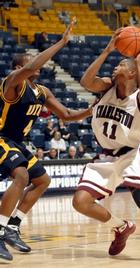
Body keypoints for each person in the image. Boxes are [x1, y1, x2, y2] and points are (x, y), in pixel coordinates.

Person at [72, 29, 140, 267]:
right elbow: (85, 82)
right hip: (105, 157)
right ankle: (121, 227)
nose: (115, 66)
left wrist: (139, 62)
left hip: (132, 153)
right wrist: (108, 49)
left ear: (132, 72)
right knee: (80, 201)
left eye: (121, 64)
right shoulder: (106, 87)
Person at [0, 18, 93, 262]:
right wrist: (61, 42)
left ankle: (12, 226)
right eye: (29, 61)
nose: (36, 65)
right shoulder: (12, 83)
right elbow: (31, 67)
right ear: (18, 67)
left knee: (42, 180)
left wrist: (94, 108)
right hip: (0, 137)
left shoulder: (42, 92)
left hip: (16, 143)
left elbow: (68, 115)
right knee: (21, 175)